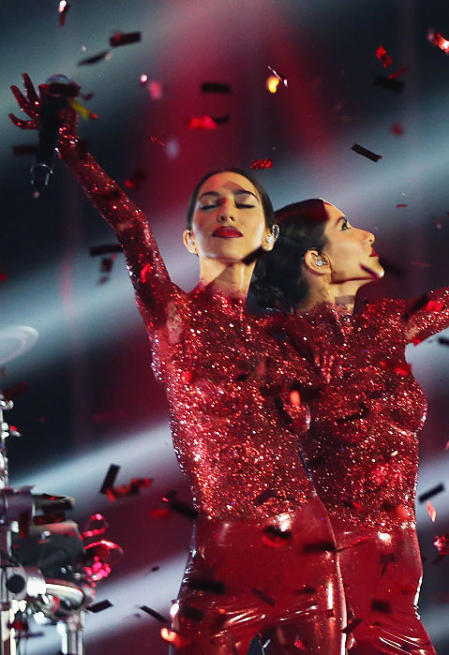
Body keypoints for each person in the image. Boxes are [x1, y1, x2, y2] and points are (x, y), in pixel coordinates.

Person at [9, 75, 346, 655]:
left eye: (243, 202)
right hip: (223, 555)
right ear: (190, 238)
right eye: (209, 203)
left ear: (267, 235)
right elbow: (130, 226)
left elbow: (331, 404)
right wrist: (67, 145)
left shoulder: (285, 335)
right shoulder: (174, 314)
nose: (226, 210)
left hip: (309, 546)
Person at [251, 199, 449, 655]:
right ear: (316, 260)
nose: (368, 235)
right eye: (346, 227)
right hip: (325, 571)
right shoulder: (279, 345)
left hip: (395, 573)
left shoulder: (379, 327)